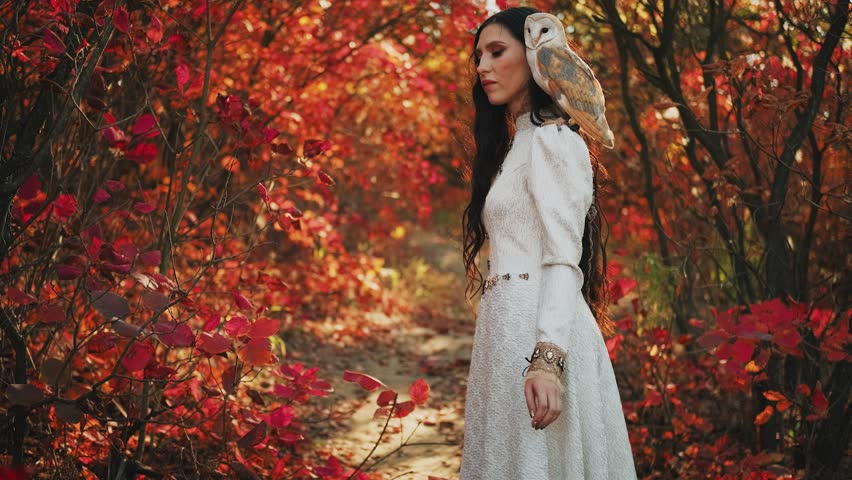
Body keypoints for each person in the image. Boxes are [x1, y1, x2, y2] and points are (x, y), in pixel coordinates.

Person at [459, 7, 637, 479]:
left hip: (540, 333)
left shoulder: (554, 141)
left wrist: (548, 360)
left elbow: (563, 258)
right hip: (502, 331)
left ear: (534, 57)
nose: (483, 67)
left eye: (497, 52)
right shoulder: (517, 144)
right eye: (479, 56)